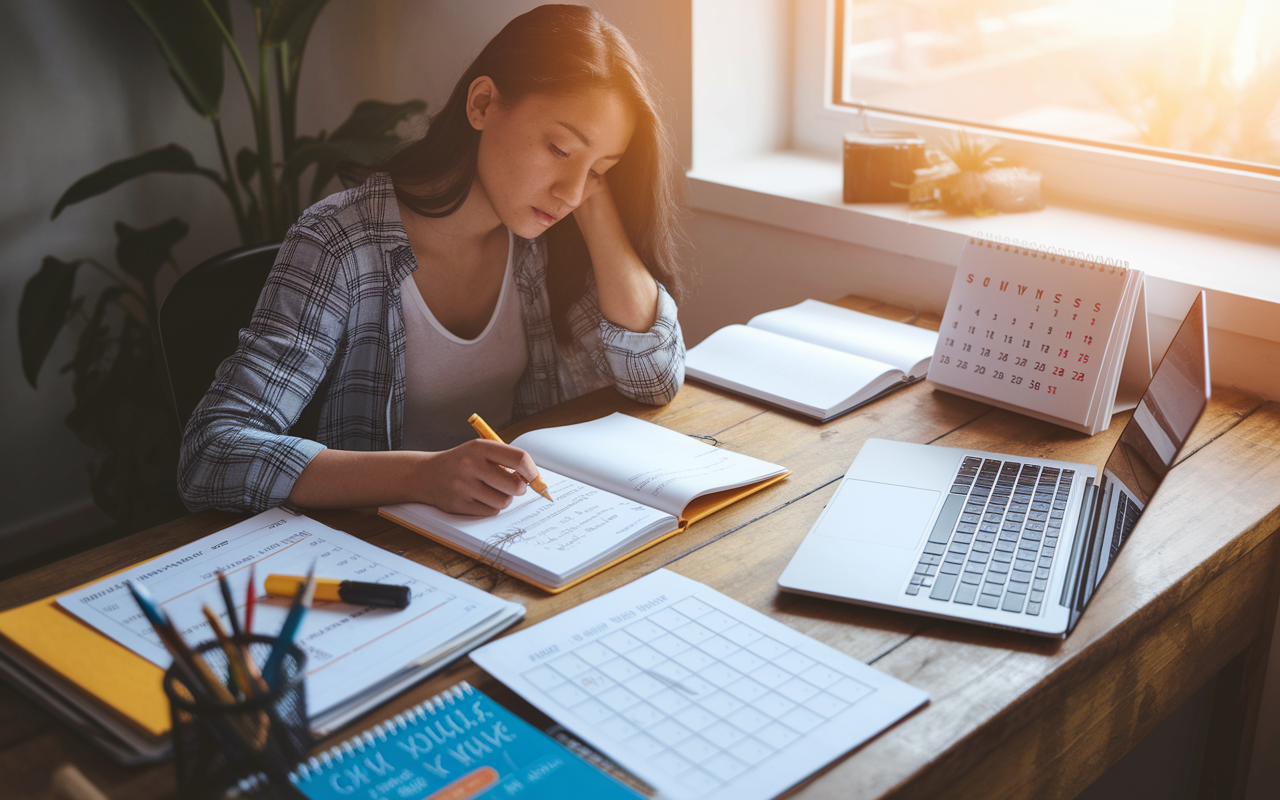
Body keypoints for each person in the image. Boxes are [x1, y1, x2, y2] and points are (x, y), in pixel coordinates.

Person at [177, 5, 685, 517]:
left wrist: (591, 189)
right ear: (483, 103)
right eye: (558, 148)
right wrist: (422, 475)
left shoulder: (545, 238)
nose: (572, 193)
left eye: (602, 169)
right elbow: (210, 455)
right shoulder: (339, 243)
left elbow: (655, 377)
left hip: (513, 530)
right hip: (379, 548)